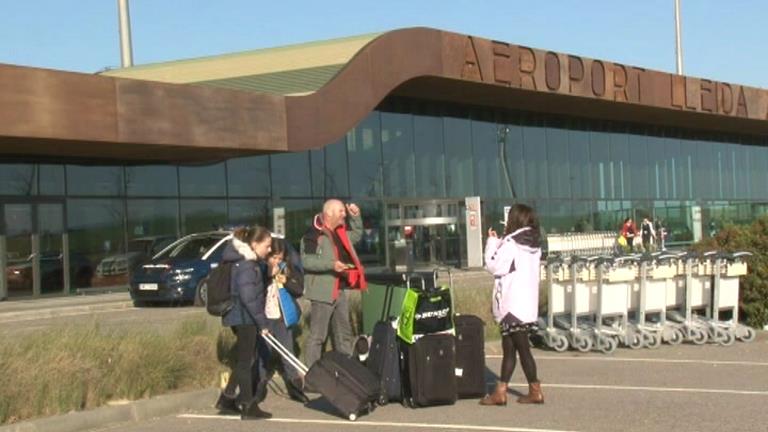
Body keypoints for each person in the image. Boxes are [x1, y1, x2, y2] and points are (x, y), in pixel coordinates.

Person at [480, 204, 544, 406]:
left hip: (511, 304)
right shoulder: (534, 244)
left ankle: (535, 390)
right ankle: (501, 391)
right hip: (526, 304)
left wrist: (491, 242)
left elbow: (493, 265)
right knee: (509, 348)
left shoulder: (512, 244)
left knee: (522, 349)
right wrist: (501, 242)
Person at [301, 199, 367, 370]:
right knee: (318, 336)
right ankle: (313, 375)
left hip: (340, 290)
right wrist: (332, 265)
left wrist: (356, 217)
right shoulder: (312, 235)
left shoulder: (340, 233)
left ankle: (347, 370)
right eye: (341, 211)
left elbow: (357, 235)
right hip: (322, 293)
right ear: (329, 213)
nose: (344, 214)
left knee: (343, 334)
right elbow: (307, 261)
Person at [216, 225, 273, 420]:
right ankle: (248, 406)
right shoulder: (247, 265)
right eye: (267, 245)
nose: (270, 249)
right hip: (244, 317)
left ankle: (227, 399)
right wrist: (262, 324)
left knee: (245, 358)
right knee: (246, 361)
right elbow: (249, 298)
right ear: (254, 244)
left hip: (240, 316)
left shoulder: (246, 261)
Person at [262, 237, 309, 403]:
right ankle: (258, 388)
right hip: (265, 318)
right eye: (274, 257)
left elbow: (299, 290)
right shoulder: (261, 269)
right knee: (263, 354)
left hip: (282, 317)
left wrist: (285, 280)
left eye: (280, 258)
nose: (276, 261)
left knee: (288, 354)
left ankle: (295, 387)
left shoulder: (287, 269)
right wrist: (268, 275)